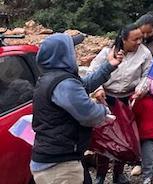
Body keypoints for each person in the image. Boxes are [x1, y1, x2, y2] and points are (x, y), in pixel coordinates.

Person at [30, 34, 117, 184]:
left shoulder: (52, 77)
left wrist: (108, 66)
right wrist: (104, 111)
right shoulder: (64, 83)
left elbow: (83, 86)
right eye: (72, 50)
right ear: (63, 55)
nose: (75, 54)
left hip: (56, 158)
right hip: (60, 165)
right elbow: (89, 114)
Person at [89, 24, 153, 184]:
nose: (139, 41)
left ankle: (118, 174)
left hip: (128, 101)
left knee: (124, 140)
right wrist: (97, 89)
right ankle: (101, 175)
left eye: (140, 38)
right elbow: (92, 71)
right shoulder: (107, 52)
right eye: (135, 39)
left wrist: (141, 89)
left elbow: (149, 74)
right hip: (107, 100)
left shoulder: (144, 53)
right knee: (105, 138)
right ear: (123, 39)